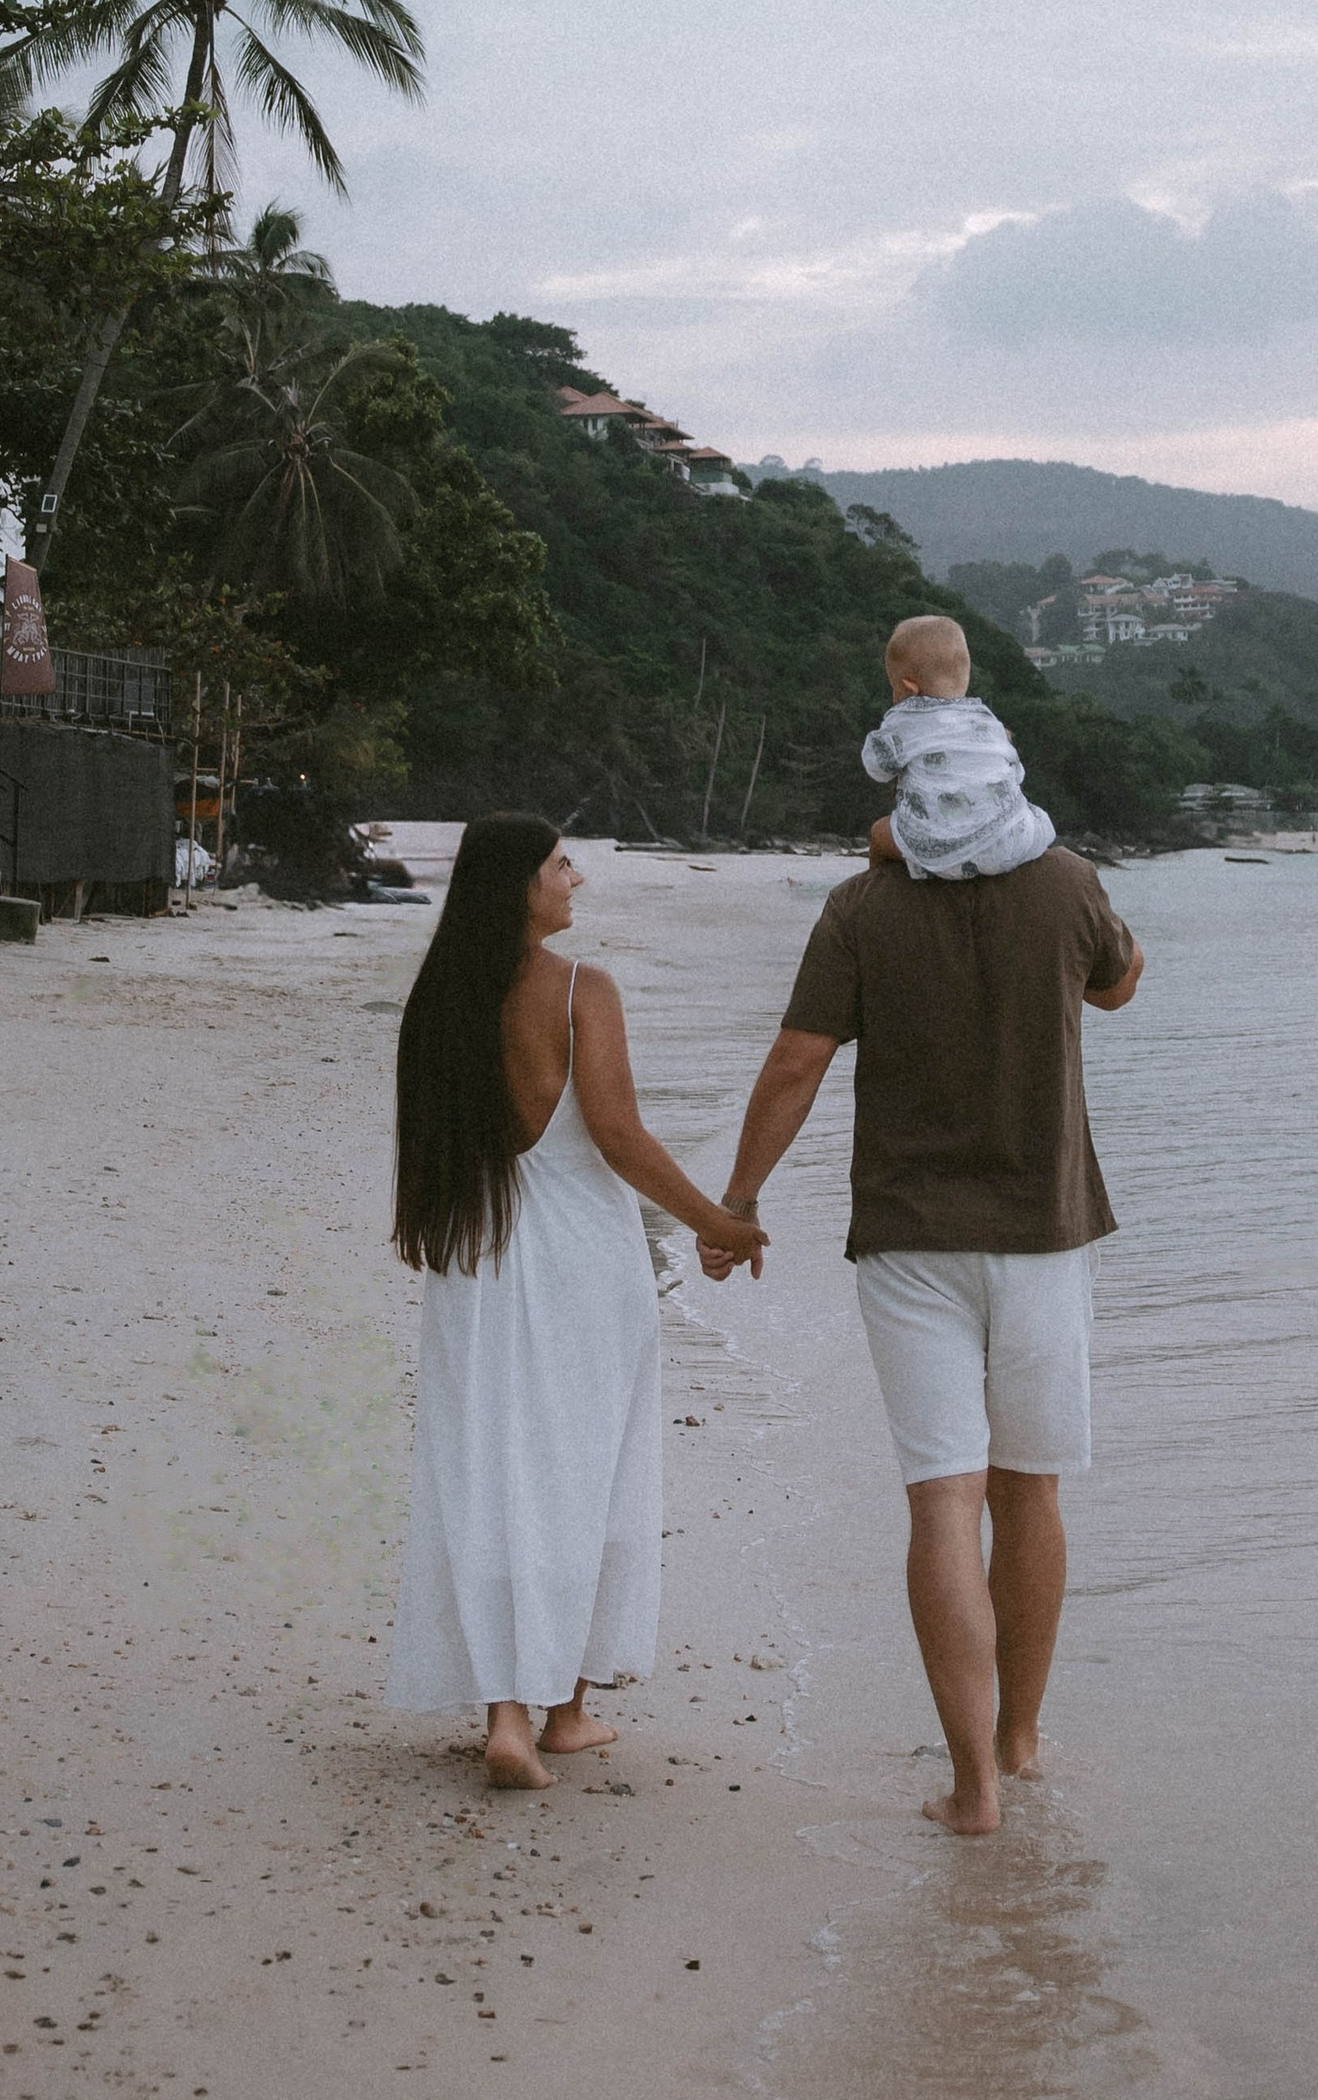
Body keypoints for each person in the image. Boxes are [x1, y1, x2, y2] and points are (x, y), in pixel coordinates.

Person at [702, 659, 1145, 1838]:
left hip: (908, 1241)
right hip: (1042, 1232)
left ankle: (973, 1790)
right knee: (1030, 1488)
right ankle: (1021, 1739)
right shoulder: (1065, 883)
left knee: (942, 1499)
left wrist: (738, 1201)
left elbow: (797, 1063)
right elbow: (1119, 987)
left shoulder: (860, 907)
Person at [387, 811, 766, 1791]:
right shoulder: (578, 992)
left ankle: (509, 1714)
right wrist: (718, 1223)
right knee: (580, 1467)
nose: (575, 883)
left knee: (494, 1465)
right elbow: (620, 1138)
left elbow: (434, 1156)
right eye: (561, 867)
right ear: (519, 882)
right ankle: (563, 1711)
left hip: (474, 1257)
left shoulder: (440, 1001)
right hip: (577, 1263)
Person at [863, 610, 1059, 879]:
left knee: (878, 834)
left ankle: (876, 897)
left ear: (909, 688)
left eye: (893, 687)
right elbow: (1016, 774)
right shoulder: (988, 721)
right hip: (1010, 843)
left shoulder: (905, 720)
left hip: (941, 852)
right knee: (1037, 819)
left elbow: (877, 768)